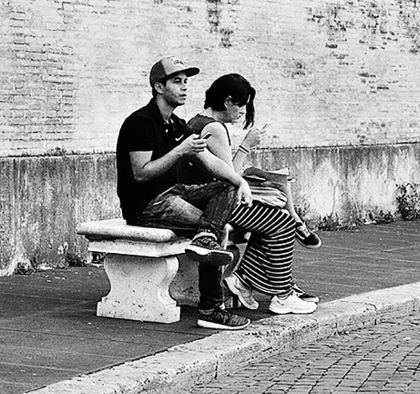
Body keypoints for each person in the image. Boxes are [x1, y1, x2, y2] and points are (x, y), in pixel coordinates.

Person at [115, 57, 309, 329]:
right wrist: (180, 151)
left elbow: (210, 160)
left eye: (186, 82)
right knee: (217, 229)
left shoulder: (176, 123)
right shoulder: (140, 123)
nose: (184, 88)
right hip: (148, 204)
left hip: (175, 193)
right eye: (176, 82)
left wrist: (238, 182)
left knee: (225, 189)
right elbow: (140, 173)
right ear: (159, 87)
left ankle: (206, 239)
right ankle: (210, 309)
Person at [179, 73, 321, 313]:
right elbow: (230, 176)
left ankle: (244, 281)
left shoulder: (196, 121)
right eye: (241, 106)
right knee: (282, 222)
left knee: (274, 220)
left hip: (201, 198)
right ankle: (282, 294)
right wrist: (246, 145)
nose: (242, 112)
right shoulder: (214, 128)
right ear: (227, 102)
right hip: (215, 205)